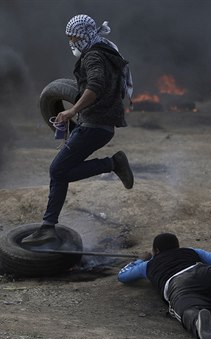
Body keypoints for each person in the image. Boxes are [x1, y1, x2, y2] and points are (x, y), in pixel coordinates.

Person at [22, 14, 135, 246]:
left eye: (74, 37)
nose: (71, 41)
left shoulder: (93, 56)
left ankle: (113, 164)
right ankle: (48, 226)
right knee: (61, 170)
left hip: (94, 125)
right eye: (69, 37)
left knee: (57, 170)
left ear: (84, 35)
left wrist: (72, 111)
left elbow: (95, 86)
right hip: (100, 125)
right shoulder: (105, 50)